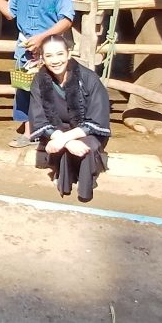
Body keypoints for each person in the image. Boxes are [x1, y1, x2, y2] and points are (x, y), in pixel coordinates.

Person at [0, 0, 75, 148]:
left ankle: (54, 132)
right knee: (25, 90)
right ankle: (29, 133)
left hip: (50, 50)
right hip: (25, 50)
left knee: (53, 90)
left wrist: (42, 37)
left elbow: (66, 20)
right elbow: (10, 13)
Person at [28, 36, 112, 203]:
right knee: (62, 147)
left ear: (68, 54)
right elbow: (39, 119)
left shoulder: (89, 79)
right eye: (49, 56)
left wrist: (66, 138)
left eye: (60, 54)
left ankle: (85, 182)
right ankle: (63, 173)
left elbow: (97, 119)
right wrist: (64, 141)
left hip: (85, 130)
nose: (55, 61)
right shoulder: (39, 80)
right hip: (57, 130)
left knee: (87, 146)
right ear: (42, 58)